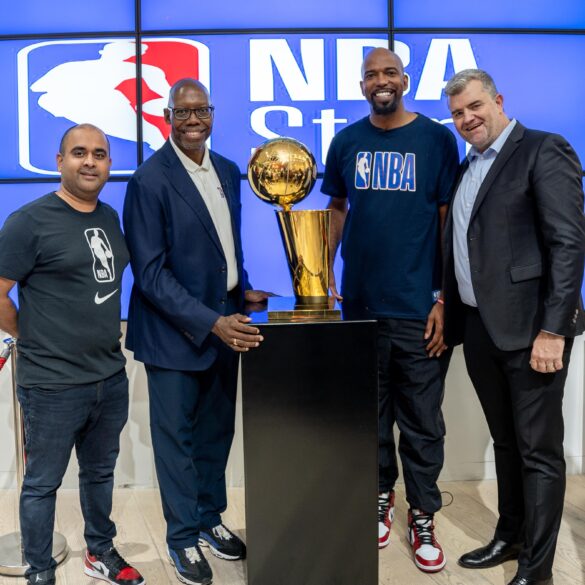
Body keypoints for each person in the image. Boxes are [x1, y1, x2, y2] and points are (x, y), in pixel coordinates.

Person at [123, 78, 268, 585]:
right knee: (177, 442)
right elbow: (152, 274)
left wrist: (243, 289)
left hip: (227, 324)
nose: (192, 121)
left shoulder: (228, 170)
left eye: (200, 111)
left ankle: (209, 519)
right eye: (182, 113)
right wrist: (212, 323)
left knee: (216, 434)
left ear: (211, 114)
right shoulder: (148, 180)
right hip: (174, 336)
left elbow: (227, 249)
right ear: (167, 117)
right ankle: (182, 538)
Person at [443, 69, 585, 585]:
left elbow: (569, 246)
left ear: (498, 100)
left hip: (532, 332)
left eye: (475, 107)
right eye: (458, 113)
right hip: (479, 326)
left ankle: (537, 568)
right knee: (505, 441)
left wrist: (554, 331)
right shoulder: (469, 167)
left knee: (539, 452)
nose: (467, 119)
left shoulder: (545, 150)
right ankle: (511, 535)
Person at [321, 47, 459, 572]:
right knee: (370, 414)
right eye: (371, 75)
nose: (381, 81)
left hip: (418, 308)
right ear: (362, 86)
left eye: (389, 73)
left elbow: (447, 222)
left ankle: (423, 513)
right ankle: (381, 497)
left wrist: (444, 297)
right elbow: (337, 208)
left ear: (404, 80)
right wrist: (326, 267)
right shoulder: (347, 141)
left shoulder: (436, 139)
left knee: (422, 420)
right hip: (359, 305)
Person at [0, 124, 144, 585]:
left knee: (100, 475)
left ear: (108, 165)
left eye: (99, 154)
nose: (90, 162)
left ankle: (99, 551)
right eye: (78, 152)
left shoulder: (109, 217)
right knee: (42, 484)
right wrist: (32, 337)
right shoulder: (29, 221)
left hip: (109, 376)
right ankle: (39, 570)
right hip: (52, 385)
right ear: (59, 160)